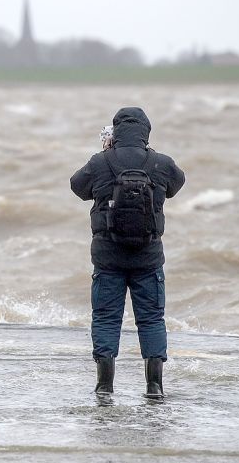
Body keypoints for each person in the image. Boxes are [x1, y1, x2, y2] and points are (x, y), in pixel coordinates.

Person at [70, 107, 185, 398]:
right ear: (146, 132)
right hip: (148, 257)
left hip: (107, 257)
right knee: (151, 319)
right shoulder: (160, 163)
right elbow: (176, 184)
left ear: (115, 132)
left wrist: (105, 153)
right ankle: (155, 386)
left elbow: (78, 187)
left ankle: (105, 386)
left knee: (106, 318)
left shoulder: (100, 162)